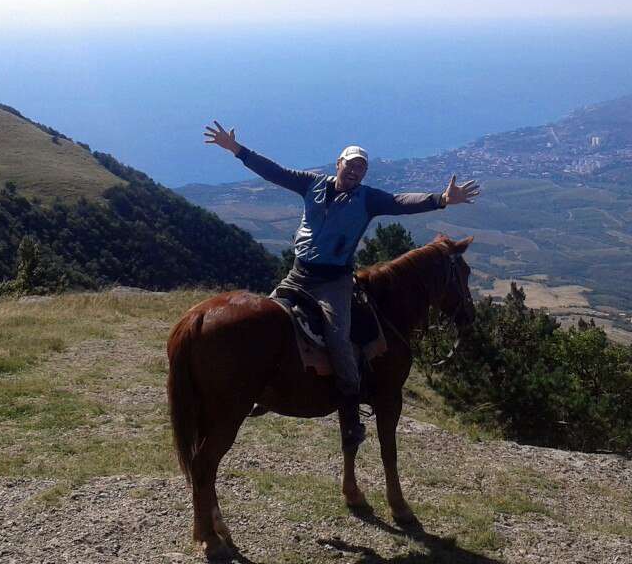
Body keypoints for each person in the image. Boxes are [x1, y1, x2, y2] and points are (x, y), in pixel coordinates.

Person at [204, 121, 480, 450]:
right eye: (351, 166)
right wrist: (237, 150)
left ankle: (350, 414)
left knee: (338, 337)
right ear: (338, 164)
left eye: (361, 169)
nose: (355, 173)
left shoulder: (367, 199)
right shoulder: (311, 184)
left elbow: (401, 201)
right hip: (299, 273)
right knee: (268, 321)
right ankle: (260, 388)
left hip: (333, 282)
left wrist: (441, 199)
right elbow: (274, 172)